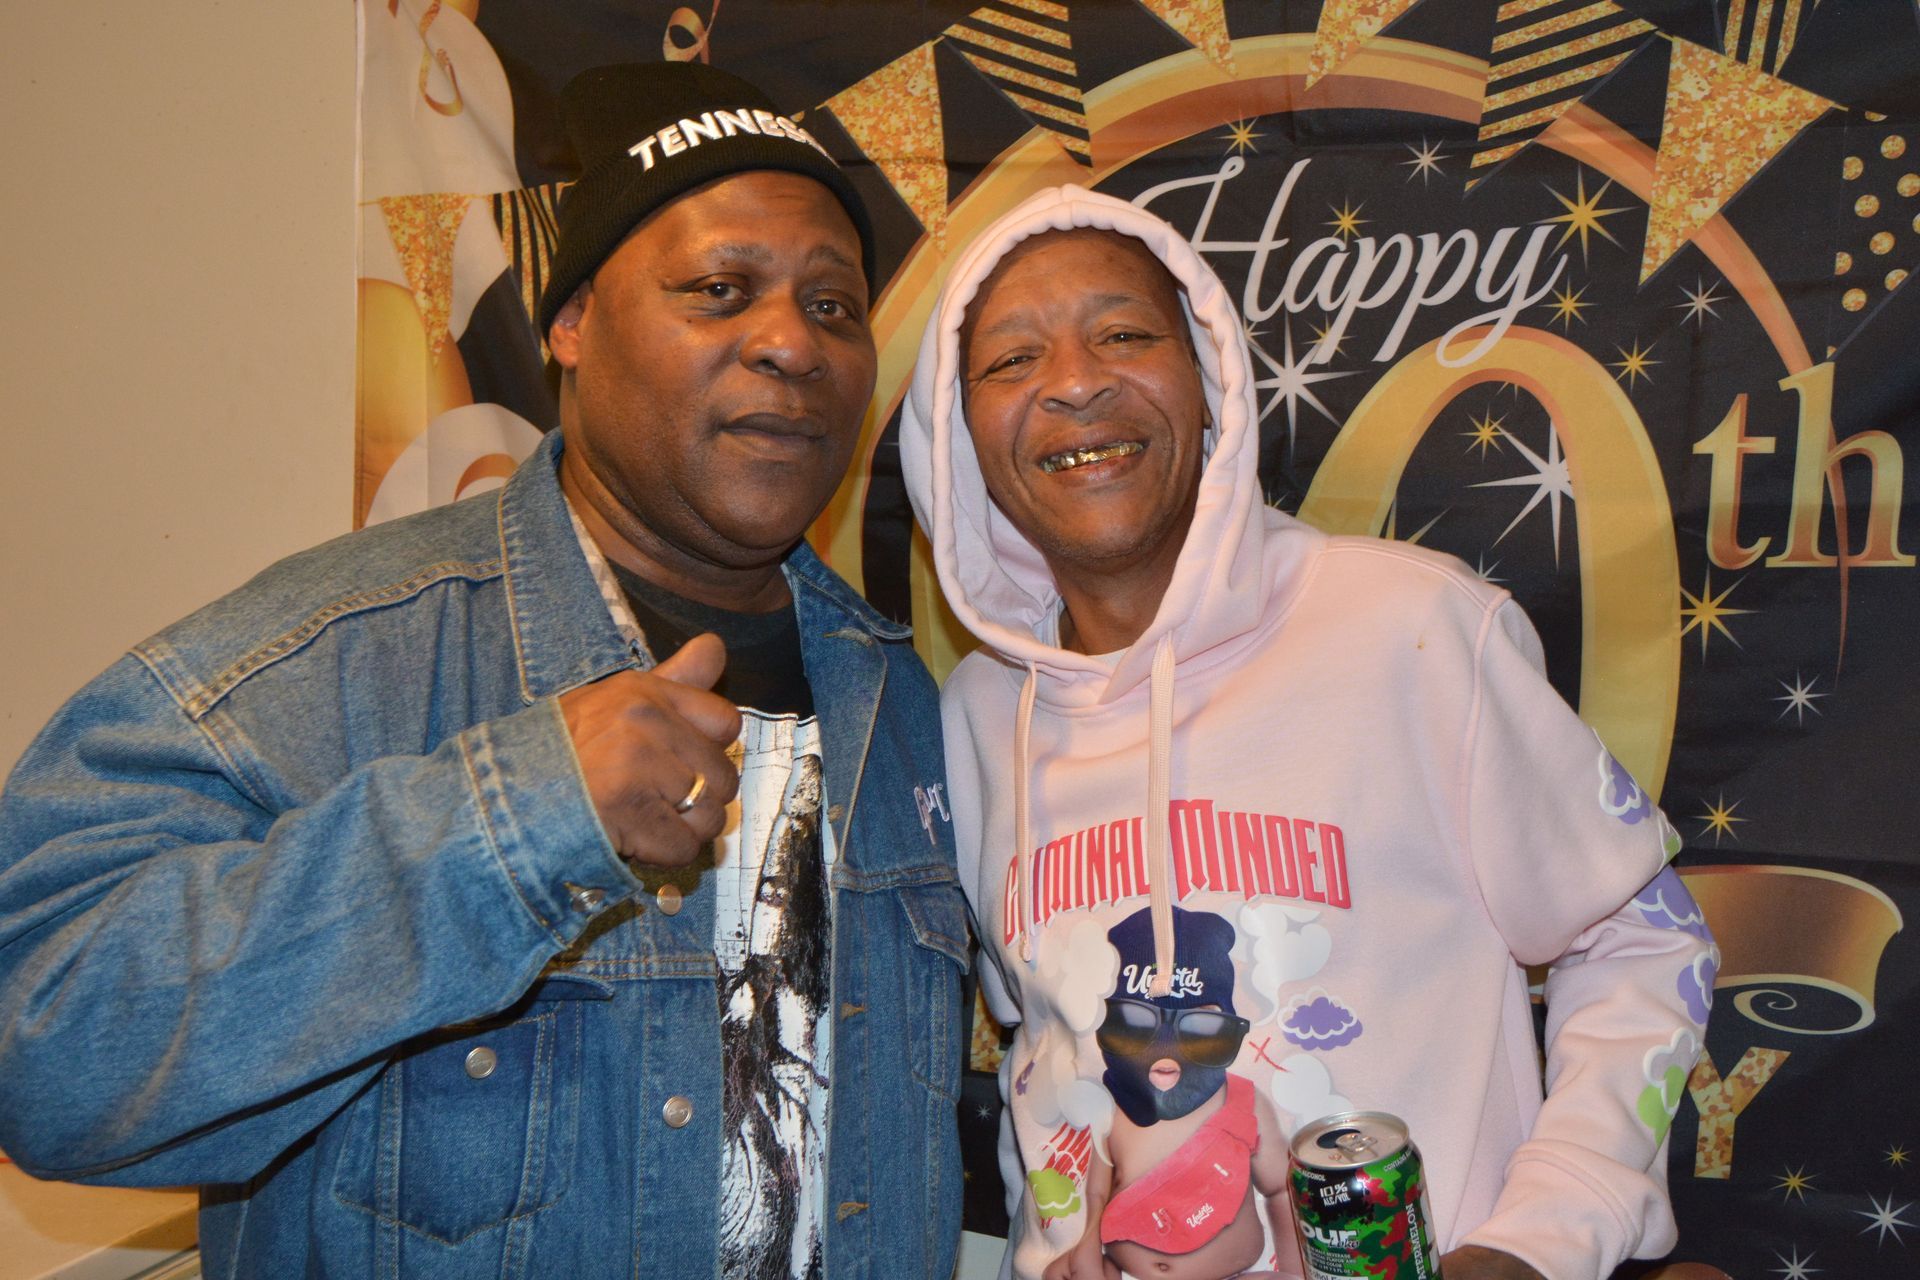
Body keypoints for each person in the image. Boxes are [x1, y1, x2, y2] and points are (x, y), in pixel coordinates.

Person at [0, 62, 967, 1280]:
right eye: (720, 289)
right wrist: (514, 820)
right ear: (571, 324)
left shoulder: (903, 703)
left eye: (834, 306)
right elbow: (40, 1046)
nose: (791, 341)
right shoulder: (340, 657)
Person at [899, 188, 1717, 1280]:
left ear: (1211, 382)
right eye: (1010, 360)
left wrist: (1538, 1243)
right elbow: (1040, 1054)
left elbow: (1645, 942)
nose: (1076, 380)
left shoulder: (1412, 629)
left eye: (1125, 334)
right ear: (955, 439)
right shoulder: (976, 714)